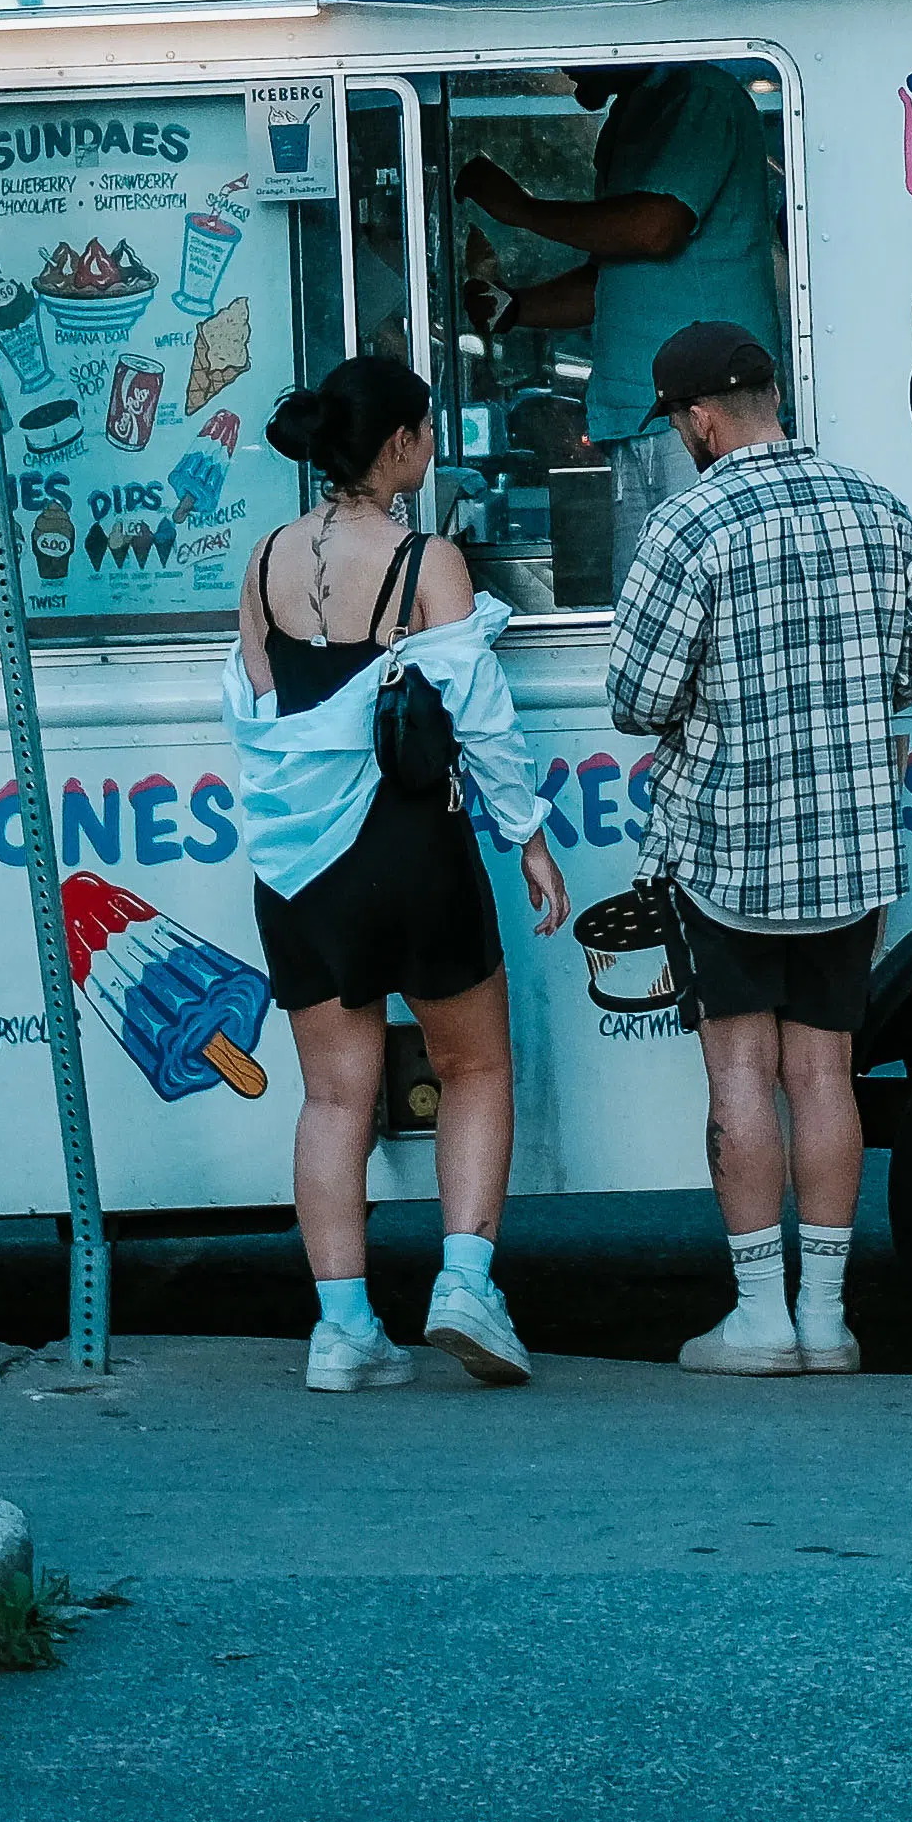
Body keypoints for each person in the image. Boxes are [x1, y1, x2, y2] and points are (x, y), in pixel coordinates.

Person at [603, 320, 912, 1371]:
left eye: (675, 419)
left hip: (727, 849)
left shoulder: (686, 525)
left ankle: (758, 1315)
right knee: (823, 1072)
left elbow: (637, 695)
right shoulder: (878, 508)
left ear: (699, 418)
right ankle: (830, 1316)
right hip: (850, 850)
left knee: (742, 1073)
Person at [232, 358, 570, 1392]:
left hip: (299, 867)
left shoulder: (263, 560)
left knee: (335, 1097)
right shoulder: (431, 558)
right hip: (412, 846)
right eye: (425, 428)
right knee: (473, 1066)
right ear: (398, 443)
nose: (432, 444)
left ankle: (342, 1329)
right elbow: (483, 719)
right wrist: (529, 836)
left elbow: (256, 699)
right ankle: (465, 1282)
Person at [462, 61, 790, 574]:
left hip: (710, 412)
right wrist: (516, 308)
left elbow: (657, 228)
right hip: (637, 415)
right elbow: (613, 280)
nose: (565, 64)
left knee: (717, 595)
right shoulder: (628, 117)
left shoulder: (698, 93)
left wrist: (520, 211)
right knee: (647, 604)